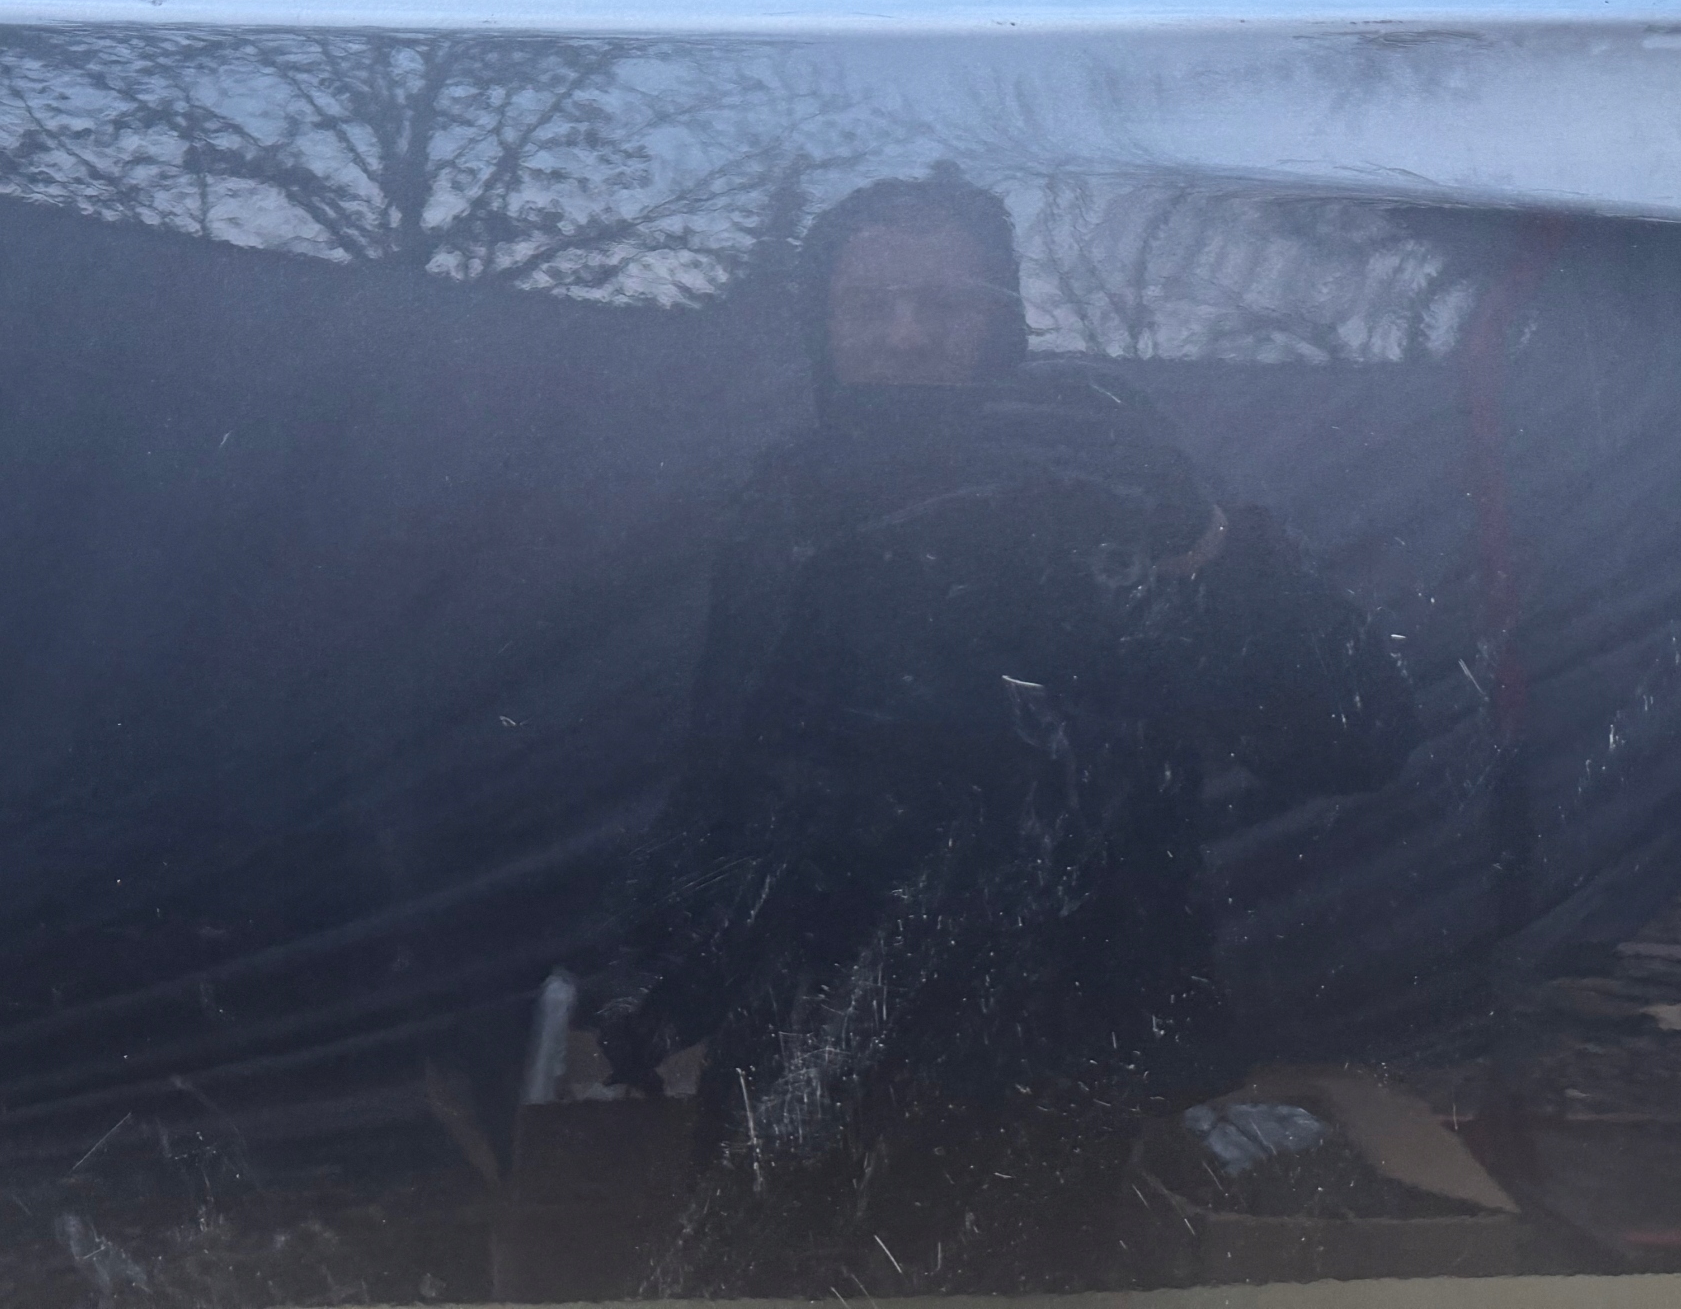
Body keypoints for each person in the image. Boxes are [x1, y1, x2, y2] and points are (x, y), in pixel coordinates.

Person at [599, 168, 1417, 1296]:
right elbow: (729, 755)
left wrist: (1205, 540)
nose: (905, 334)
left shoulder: (1097, 490)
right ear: (822, 326)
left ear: (1002, 319)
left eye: (943, 302)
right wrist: (669, 958)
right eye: (868, 304)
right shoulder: (785, 504)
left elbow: (1358, 735)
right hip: (799, 1049)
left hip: (1045, 1062)